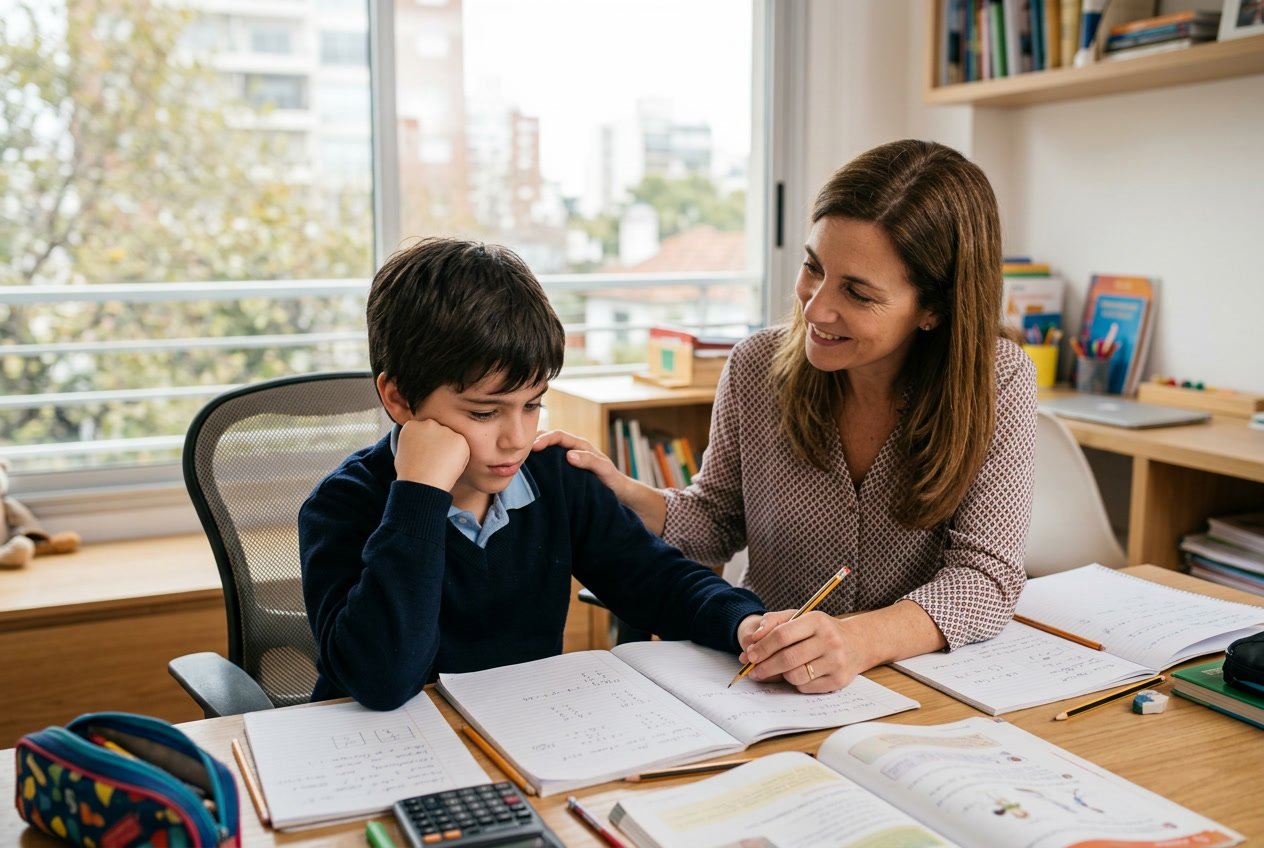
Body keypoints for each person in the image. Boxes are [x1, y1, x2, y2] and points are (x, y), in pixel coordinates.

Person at [535, 139, 1038, 695]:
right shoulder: (757, 366)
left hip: (921, 686)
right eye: (813, 267)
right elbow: (716, 519)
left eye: (858, 293)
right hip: (771, 682)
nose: (816, 308)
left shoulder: (998, 381)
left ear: (933, 309)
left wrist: (860, 640)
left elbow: (986, 578)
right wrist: (629, 494)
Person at [299, 237, 767, 711]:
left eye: (532, 404)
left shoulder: (556, 477)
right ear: (399, 400)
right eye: (485, 413)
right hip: (382, 753)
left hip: (521, 738)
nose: (517, 438)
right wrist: (420, 496)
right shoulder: (341, 505)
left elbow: (659, 581)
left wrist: (743, 624)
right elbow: (382, 681)